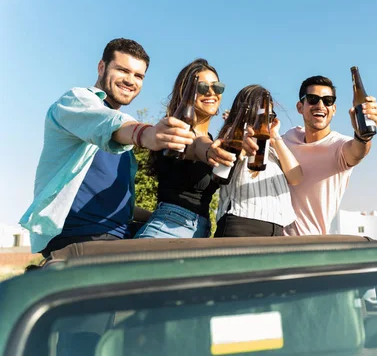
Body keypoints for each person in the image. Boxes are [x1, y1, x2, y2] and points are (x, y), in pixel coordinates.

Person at [19, 38, 195, 257]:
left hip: (116, 235)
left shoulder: (122, 130)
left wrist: (157, 217)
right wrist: (147, 134)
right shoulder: (77, 101)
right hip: (80, 238)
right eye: (123, 70)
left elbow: (113, 204)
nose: (131, 81)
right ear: (101, 67)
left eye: (139, 76)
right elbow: (109, 123)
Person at [245, 75, 377, 235]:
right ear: (300, 107)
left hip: (310, 244)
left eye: (328, 100)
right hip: (273, 240)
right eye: (313, 99)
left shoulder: (339, 146)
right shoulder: (288, 137)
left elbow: (358, 151)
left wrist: (363, 136)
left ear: (334, 109)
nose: (320, 105)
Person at [134, 58, 225, 239]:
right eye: (202, 87)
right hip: (168, 229)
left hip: (199, 232)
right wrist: (209, 151)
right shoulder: (174, 130)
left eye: (217, 87)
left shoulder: (209, 138)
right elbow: (195, 145)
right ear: (187, 92)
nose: (211, 92)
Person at [214, 85, 302, 237]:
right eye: (261, 114)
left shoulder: (272, 149)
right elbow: (224, 164)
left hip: (277, 228)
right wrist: (238, 143)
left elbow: (296, 177)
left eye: (270, 115)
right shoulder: (235, 137)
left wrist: (274, 136)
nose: (265, 120)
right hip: (242, 225)